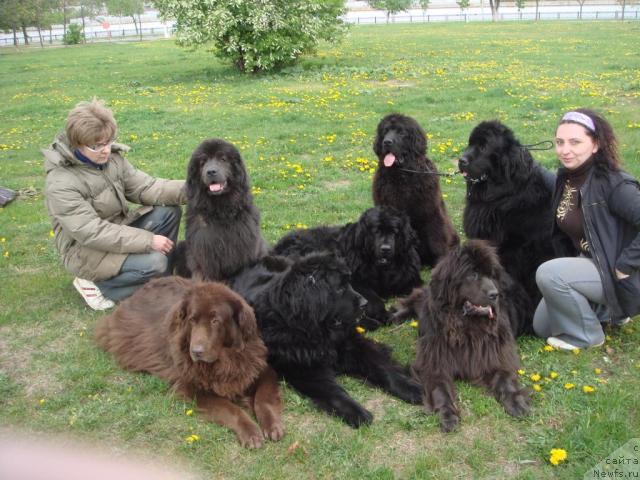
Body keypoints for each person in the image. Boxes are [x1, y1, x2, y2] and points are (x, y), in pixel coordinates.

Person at [43, 99, 186, 310]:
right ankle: (96, 285)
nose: (105, 150)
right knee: (155, 262)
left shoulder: (113, 160)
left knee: (169, 211)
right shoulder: (61, 183)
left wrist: (196, 188)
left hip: (117, 231)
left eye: (108, 142)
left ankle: (163, 280)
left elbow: (147, 187)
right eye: (96, 145)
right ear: (77, 143)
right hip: (85, 250)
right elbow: (92, 232)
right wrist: (148, 241)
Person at [533, 108, 640, 350]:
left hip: (619, 271)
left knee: (549, 273)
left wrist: (625, 265)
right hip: (593, 263)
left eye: (575, 142)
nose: (565, 150)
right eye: (560, 142)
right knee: (542, 326)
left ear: (596, 145)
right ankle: (610, 311)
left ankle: (588, 336)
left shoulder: (615, 184)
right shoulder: (567, 178)